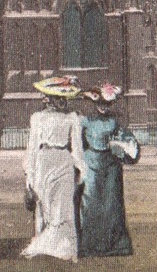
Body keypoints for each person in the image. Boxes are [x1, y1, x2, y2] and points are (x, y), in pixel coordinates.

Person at [22, 75, 85, 261]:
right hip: (43, 162)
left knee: (63, 206)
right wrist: (29, 176)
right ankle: (44, 244)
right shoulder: (38, 118)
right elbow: (33, 147)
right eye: (58, 98)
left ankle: (64, 248)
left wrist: (80, 170)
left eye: (64, 98)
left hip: (64, 162)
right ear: (49, 98)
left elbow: (76, 146)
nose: (62, 102)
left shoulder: (72, 118)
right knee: (45, 205)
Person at [78, 83, 140, 257]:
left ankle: (112, 244)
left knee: (111, 203)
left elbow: (126, 141)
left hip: (111, 165)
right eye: (100, 103)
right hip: (91, 163)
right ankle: (89, 245)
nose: (103, 107)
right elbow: (80, 143)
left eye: (106, 104)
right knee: (89, 202)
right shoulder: (86, 121)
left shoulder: (115, 121)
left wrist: (120, 146)